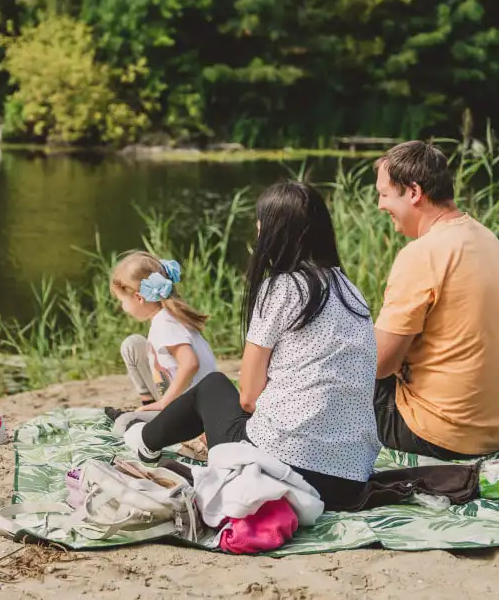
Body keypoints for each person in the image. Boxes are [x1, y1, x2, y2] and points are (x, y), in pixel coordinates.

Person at [120, 181, 379, 512]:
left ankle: (146, 441)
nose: (257, 233)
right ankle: (153, 434)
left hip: (288, 469)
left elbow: (248, 396)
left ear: (274, 231)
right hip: (349, 481)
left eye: (259, 223)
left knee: (214, 387)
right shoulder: (350, 290)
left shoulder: (282, 288)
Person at [373, 141, 499, 459]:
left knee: (330, 379)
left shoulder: (421, 254)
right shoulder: (485, 237)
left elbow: (377, 364)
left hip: (442, 433)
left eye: (385, 194)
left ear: (413, 192)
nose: (379, 205)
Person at [112, 253, 217, 411]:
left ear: (139, 298)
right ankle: (150, 406)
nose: (123, 308)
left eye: (122, 301)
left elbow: (190, 363)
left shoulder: (164, 323)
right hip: (192, 399)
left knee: (126, 425)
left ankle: (156, 412)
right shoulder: (169, 316)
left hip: (192, 408)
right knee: (132, 345)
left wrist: (164, 403)